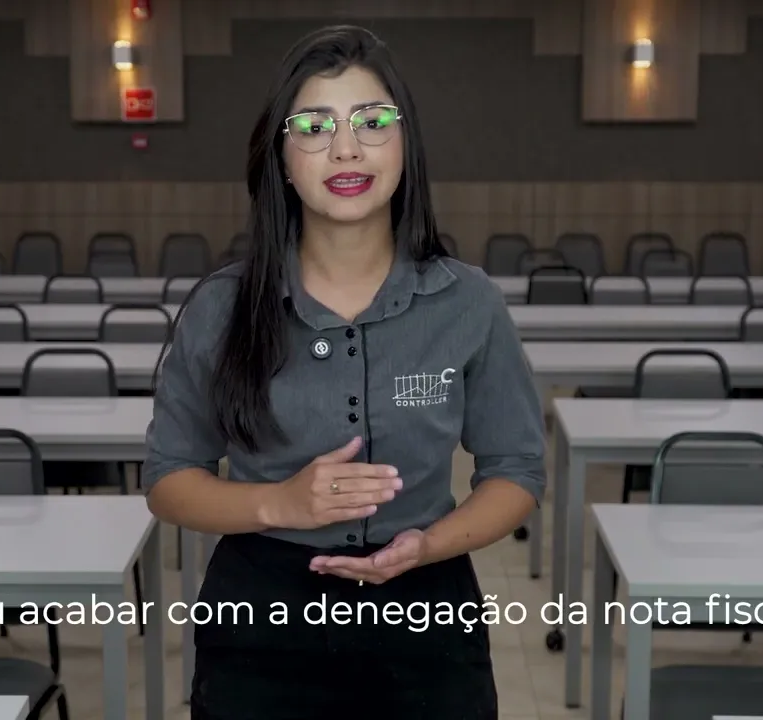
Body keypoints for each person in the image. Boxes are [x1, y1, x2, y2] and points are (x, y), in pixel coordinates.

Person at [141, 24, 546, 720]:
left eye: (372, 121)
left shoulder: (468, 302)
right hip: (261, 617)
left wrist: (428, 546)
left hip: (428, 609)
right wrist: (279, 503)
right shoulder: (220, 308)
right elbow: (169, 479)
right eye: (314, 126)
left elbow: (517, 471)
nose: (347, 148)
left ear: (404, 143)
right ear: (281, 158)